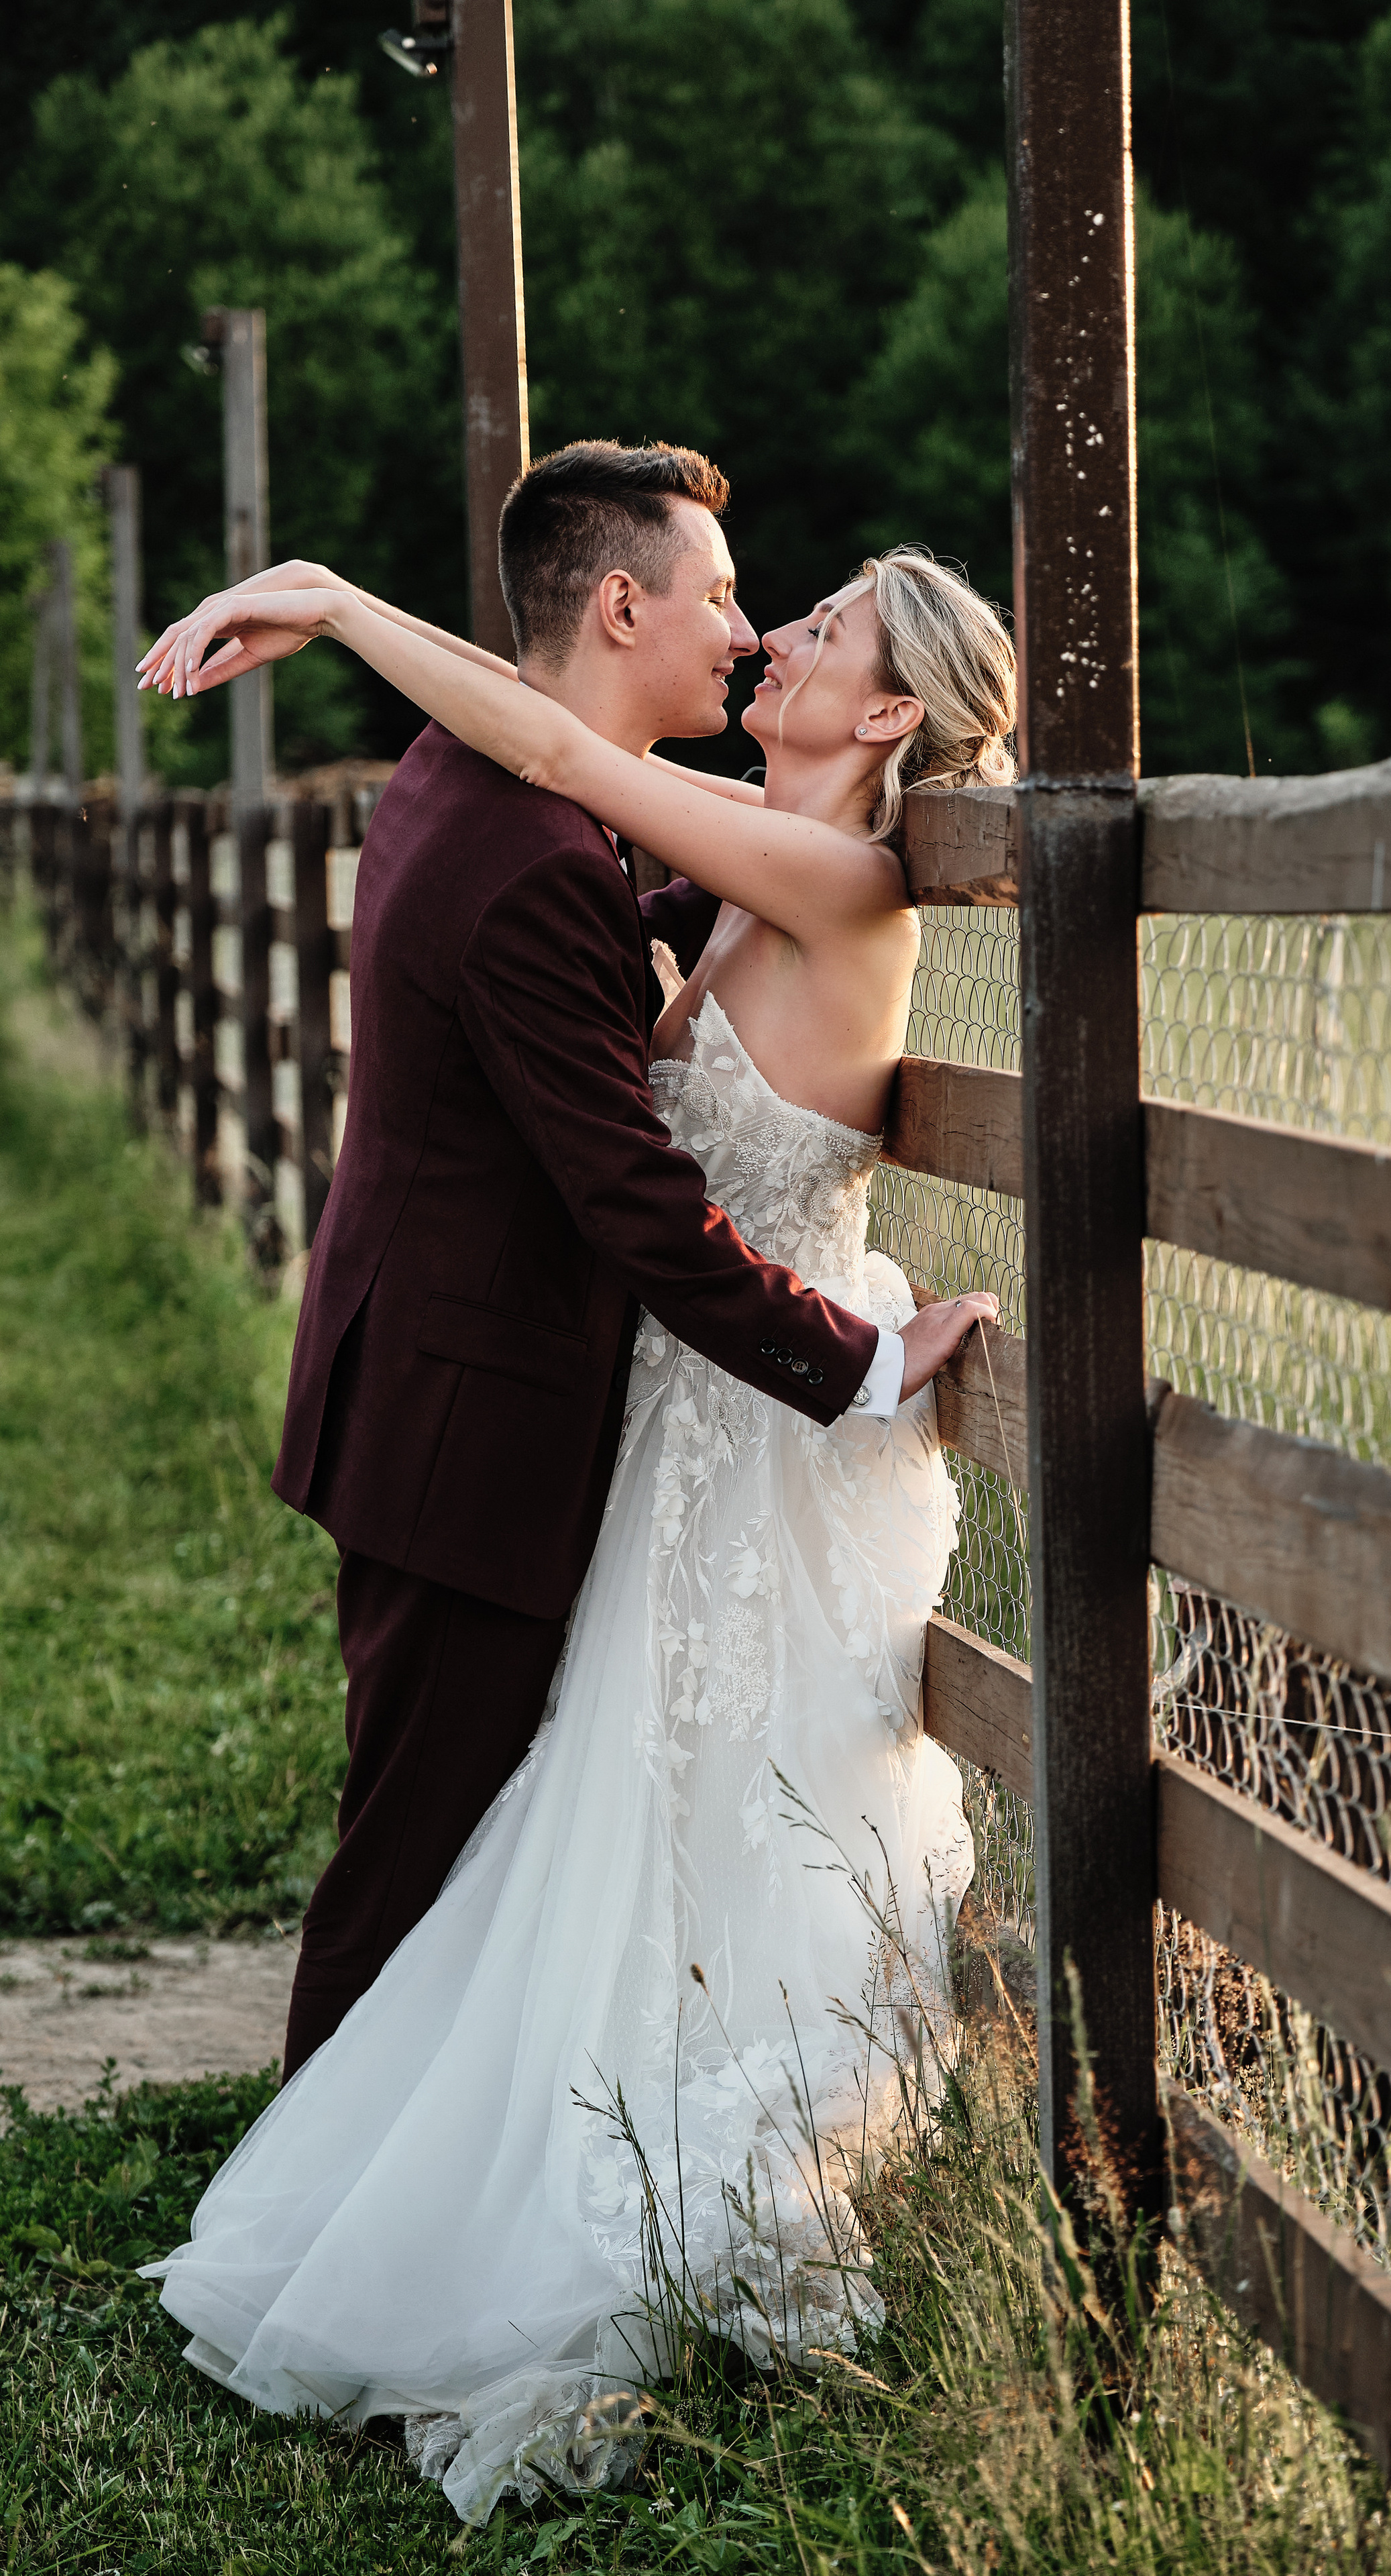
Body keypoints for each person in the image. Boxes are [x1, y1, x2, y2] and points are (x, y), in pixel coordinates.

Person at [134, 440, 1015, 2524]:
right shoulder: (722, 855)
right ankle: (407, 2176)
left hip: (744, 1411)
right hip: (657, 1414)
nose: (766, 627)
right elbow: (543, 735)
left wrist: (341, 604)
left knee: (675, 1805)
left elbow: (542, 729)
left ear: (885, 712)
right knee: (570, 1811)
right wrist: (346, 609)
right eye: (744, 605)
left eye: (808, 630)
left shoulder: (827, 873)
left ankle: (616, 2180)